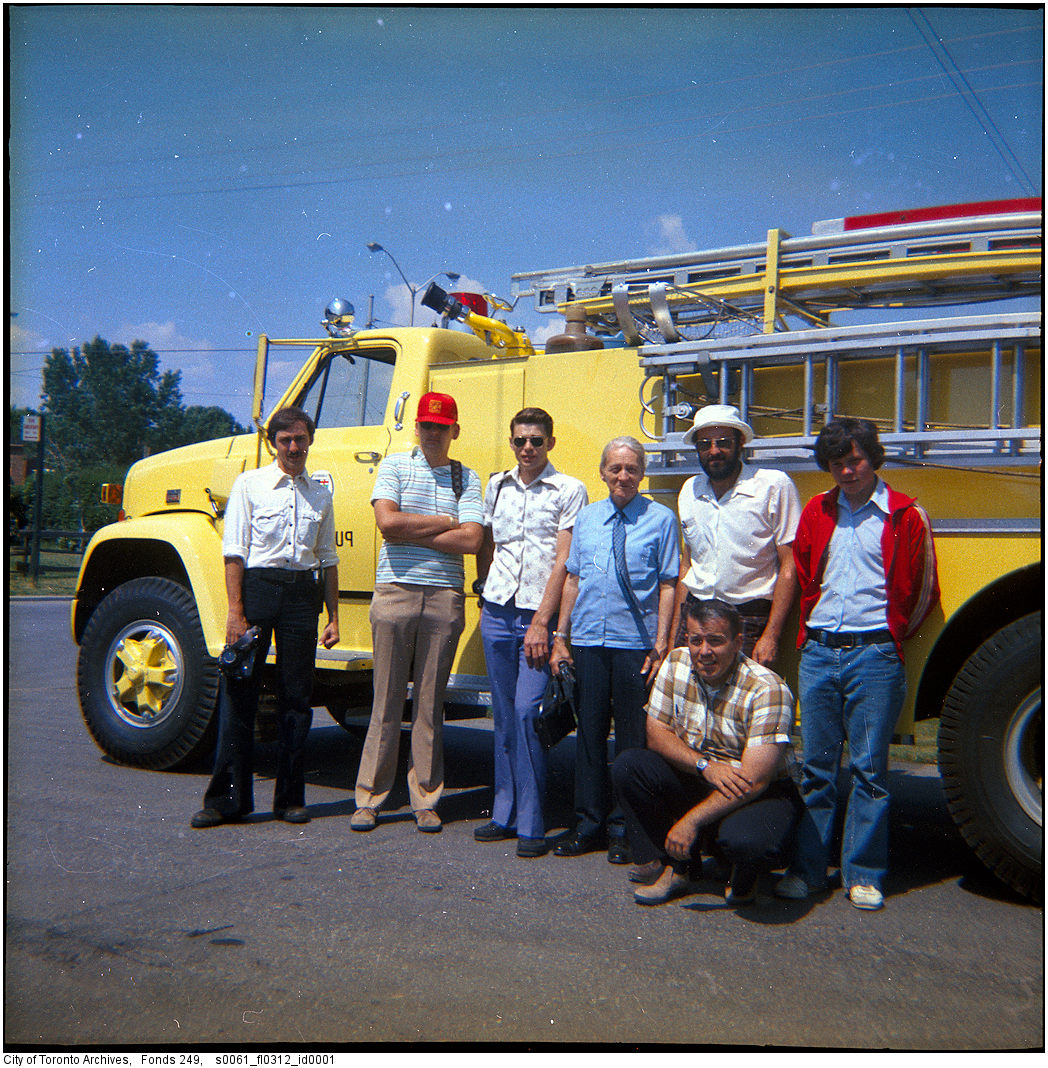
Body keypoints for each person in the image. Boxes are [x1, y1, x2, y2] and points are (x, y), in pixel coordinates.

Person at [776, 418, 939, 910]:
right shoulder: (817, 511)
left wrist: (888, 636)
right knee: (817, 767)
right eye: (836, 463)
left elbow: (923, 589)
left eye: (855, 460)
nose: (846, 471)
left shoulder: (904, 514)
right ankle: (807, 872)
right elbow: (804, 573)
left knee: (870, 770)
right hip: (821, 652)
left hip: (875, 655)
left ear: (873, 458)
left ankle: (864, 874)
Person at [192, 406, 340, 828]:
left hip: (300, 597)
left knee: (297, 701)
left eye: (300, 439)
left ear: (310, 440)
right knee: (240, 695)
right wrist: (235, 613)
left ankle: (290, 800)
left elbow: (327, 558)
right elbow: (234, 552)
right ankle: (226, 802)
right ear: (273, 443)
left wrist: (332, 616)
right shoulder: (249, 485)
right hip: (257, 592)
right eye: (285, 440)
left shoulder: (320, 493)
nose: (293, 447)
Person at [351, 392, 484, 834]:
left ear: (455, 431)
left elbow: (472, 542)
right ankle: (369, 798)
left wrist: (414, 530)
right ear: (417, 429)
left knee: (430, 704)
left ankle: (425, 799)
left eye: (441, 427)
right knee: (386, 700)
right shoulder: (394, 466)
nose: (433, 433)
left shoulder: (468, 477)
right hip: (395, 591)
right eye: (426, 426)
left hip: (445, 595)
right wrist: (446, 521)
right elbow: (387, 524)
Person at [611, 598, 801, 906]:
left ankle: (743, 874)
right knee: (630, 766)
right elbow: (656, 734)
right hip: (706, 775)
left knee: (745, 841)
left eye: (716, 641)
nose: (704, 651)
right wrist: (705, 766)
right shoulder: (675, 662)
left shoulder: (768, 688)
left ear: (738, 642)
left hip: (755, 791)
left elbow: (754, 781)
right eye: (696, 640)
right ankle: (678, 868)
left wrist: (690, 821)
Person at [549, 436, 679, 863]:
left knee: (631, 741)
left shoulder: (661, 519)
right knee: (587, 737)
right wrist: (560, 638)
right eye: (615, 468)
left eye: (631, 469)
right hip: (587, 641)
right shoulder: (586, 519)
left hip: (634, 646)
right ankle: (588, 824)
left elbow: (667, 585)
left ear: (642, 473)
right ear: (603, 472)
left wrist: (661, 645)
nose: (623, 476)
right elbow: (572, 579)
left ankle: (625, 828)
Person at [473, 408, 588, 858]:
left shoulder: (568, 490)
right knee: (502, 715)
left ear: (550, 443)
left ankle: (533, 823)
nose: (527, 449)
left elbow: (564, 561)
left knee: (527, 713)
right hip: (497, 612)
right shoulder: (497, 485)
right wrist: (484, 591)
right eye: (520, 440)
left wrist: (544, 621)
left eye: (536, 441)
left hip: (535, 617)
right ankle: (503, 812)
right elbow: (488, 543)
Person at [670, 403, 801, 665]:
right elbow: (688, 564)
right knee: (691, 701)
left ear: (740, 442)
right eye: (705, 443)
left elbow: (790, 564)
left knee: (743, 702)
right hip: (696, 614)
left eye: (723, 442)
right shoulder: (689, 490)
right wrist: (677, 631)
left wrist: (772, 635)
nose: (714, 450)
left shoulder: (773, 485)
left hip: (748, 620)